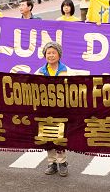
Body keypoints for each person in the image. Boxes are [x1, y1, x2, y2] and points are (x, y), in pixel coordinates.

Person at [35, 41, 69, 177]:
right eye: (48, 53)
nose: (51, 55)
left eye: (53, 53)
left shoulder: (65, 70)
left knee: (59, 136)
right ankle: (52, 163)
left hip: (60, 109)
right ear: (44, 55)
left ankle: (62, 162)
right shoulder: (40, 71)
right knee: (47, 135)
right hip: (45, 109)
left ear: (59, 55)